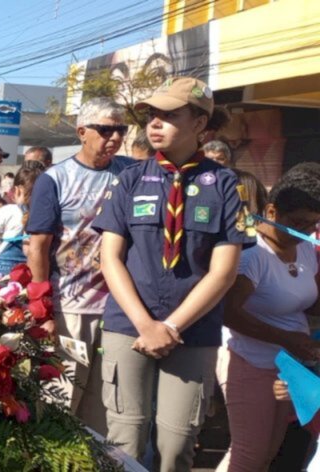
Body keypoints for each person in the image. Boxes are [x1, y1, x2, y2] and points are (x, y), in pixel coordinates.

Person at [92, 76, 252, 471]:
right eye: (152, 116)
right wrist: (146, 325)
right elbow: (110, 258)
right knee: (124, 441)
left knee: (177, 444)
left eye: (169, 115)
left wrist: (171, 326)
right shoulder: (129, 179)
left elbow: (224, 271)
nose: (155, 124)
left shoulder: (226, 185)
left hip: (193, 333)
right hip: (128, 327)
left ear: (199, 124)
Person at [24, 98, 134, 435]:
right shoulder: (54, 179)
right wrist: (42, 308)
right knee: (61, 403)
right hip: (70, 308)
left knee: (105, 410)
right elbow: (38, 247)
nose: (114, 137)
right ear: (82, 132)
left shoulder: (132, 173)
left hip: (120, 309)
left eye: (121, 129)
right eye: (105, 129)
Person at [217, 164, 320, 471]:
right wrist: (287, 338)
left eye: (313, 226)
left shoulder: (302, 249)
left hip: (290, 368)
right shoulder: (252, 254)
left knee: (267, 455)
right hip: (250, 362)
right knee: (247, 455)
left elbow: (311, 302)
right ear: (271, 211)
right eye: (298, 223)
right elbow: (229, 313)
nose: (305, 233)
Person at [0, 161, 45, 276]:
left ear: (16, 190)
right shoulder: (46, 214)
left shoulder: (9, 211)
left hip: (5, 271)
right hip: (31, 272)